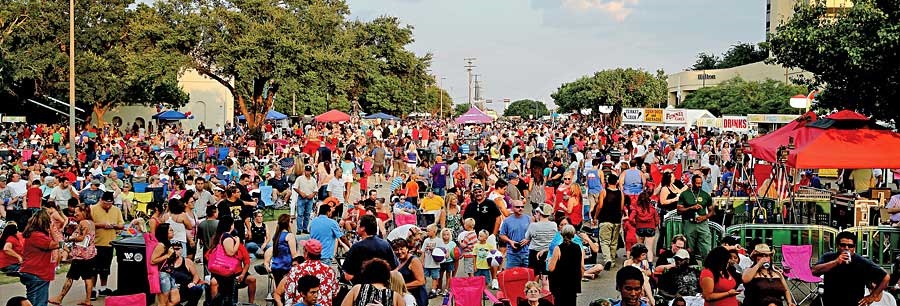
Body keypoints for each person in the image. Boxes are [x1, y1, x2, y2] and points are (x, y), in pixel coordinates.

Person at [813, 231, 889, 306]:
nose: (846, 248)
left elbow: (886, 277)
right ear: (837, 245)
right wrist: (836, 262)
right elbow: (814, 271)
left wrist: (872, 296)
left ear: (854, 247)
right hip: (829, 301)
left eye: (850, 246)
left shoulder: (861, 261)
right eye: (843, 245)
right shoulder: (828, 257)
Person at [49, 205, 96, 306]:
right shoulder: (91, 222)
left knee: (70, 277)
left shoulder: (83, 223)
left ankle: (60, 298)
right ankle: (88, 300)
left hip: (80, 255)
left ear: (83, 212)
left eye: (77, 212)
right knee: (88, 278)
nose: (75, 215)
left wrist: (70, 238)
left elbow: (81, 238)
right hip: (90, 254)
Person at [275, 239, 338, 306]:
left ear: (306, 252)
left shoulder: (296, 270)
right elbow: (335, 293)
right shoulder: (330, 271)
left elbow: (289, 295)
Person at [19, 209, 62, 306]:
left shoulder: (35, 235)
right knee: (38, 303)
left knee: (37, 302)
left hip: (36, 273)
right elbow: (58, 244)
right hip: (37, 274)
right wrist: (52, 229)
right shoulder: (37, 236)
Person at [342, 215, 399, 282]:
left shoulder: (357, 247)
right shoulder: (385, 244)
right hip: (382, 285)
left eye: (358, 225)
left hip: (362, 287)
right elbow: (395, 268)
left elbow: (348, 276)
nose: (356, 227)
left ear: (363, 228)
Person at [90, 191, 124, 295]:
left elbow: (121, 225)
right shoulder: (93, 209)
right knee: (94, 268)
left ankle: (103, 287)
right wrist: (101, 225)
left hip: (109, 243)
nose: (108, 206)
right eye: (106, 204)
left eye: (110, 204)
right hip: (96, 243)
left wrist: (114, 226)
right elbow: (89, 224)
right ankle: (92, 289)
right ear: (101, 200)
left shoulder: (116, 210)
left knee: (105, 268)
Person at [678, 175, 713, 260]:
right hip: (689, 223)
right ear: (693, 183)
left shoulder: (705, 195)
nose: (699, 185)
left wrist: (704, 217)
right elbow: (679, 210)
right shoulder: (685, 194)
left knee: (706, 246)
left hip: (702, 223)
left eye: (701, 183)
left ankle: (707, 266)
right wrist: (691, 208)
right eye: (697, 183)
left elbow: (712, 211)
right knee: (689, 247)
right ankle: (691, 265)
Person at [547, 224, 583, 306]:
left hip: (559, 284)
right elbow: (581, 267)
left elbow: (551, 268)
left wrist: (549, 260)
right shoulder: (578, 248)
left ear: (561, 234)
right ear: (573, 235)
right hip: (572, 283)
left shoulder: (558, 248)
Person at [595, 174, 624, 271]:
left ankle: (607, 259)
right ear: (616, 182)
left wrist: (595, 216)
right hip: (616, 220)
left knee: (604, 241)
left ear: (608, 182)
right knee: (614, 241)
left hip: (605, 219)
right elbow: (621, 207)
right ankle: (612, 260)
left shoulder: (604, 192)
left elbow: (600, 206)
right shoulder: (621, 193)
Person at [150, 223, 181, 306]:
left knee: (176, 299)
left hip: (170, 273)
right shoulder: (161, 245)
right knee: (163, 301)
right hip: (163, 274)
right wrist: (167, 255)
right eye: (170, 230)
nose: (172, 231)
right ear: (164, 232)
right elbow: (153, 260)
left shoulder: (168, 243)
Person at [393, 238, 427, 306]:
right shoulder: (399, 260)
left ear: (407, 248)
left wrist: (401, 286)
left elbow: (421, 281)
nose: (399, 251)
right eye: (396, 249)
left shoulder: (414, 261)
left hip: (417, 297)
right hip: (405, 297)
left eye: (402, 249)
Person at [268, 214, 299, 285]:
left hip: (276, 266)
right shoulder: (289, 236)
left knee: (279, 288)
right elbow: (294, 255)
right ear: (288, 223)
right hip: (286, 266)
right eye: (291, 222)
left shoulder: (276, 236)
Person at [293, 165, 318, 234]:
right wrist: (301, 193)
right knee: (300, 214)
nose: (308, 172)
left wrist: (312, 195)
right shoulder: (300, 178)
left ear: (311, 172)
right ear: (304, 171)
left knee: (307, 214)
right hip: (301, 198)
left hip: (310, 198)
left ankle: (305, 228)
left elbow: (316, 189)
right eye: (306, 171)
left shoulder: (313, 180)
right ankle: (299, 229)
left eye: (309, 171)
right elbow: (295, 187)